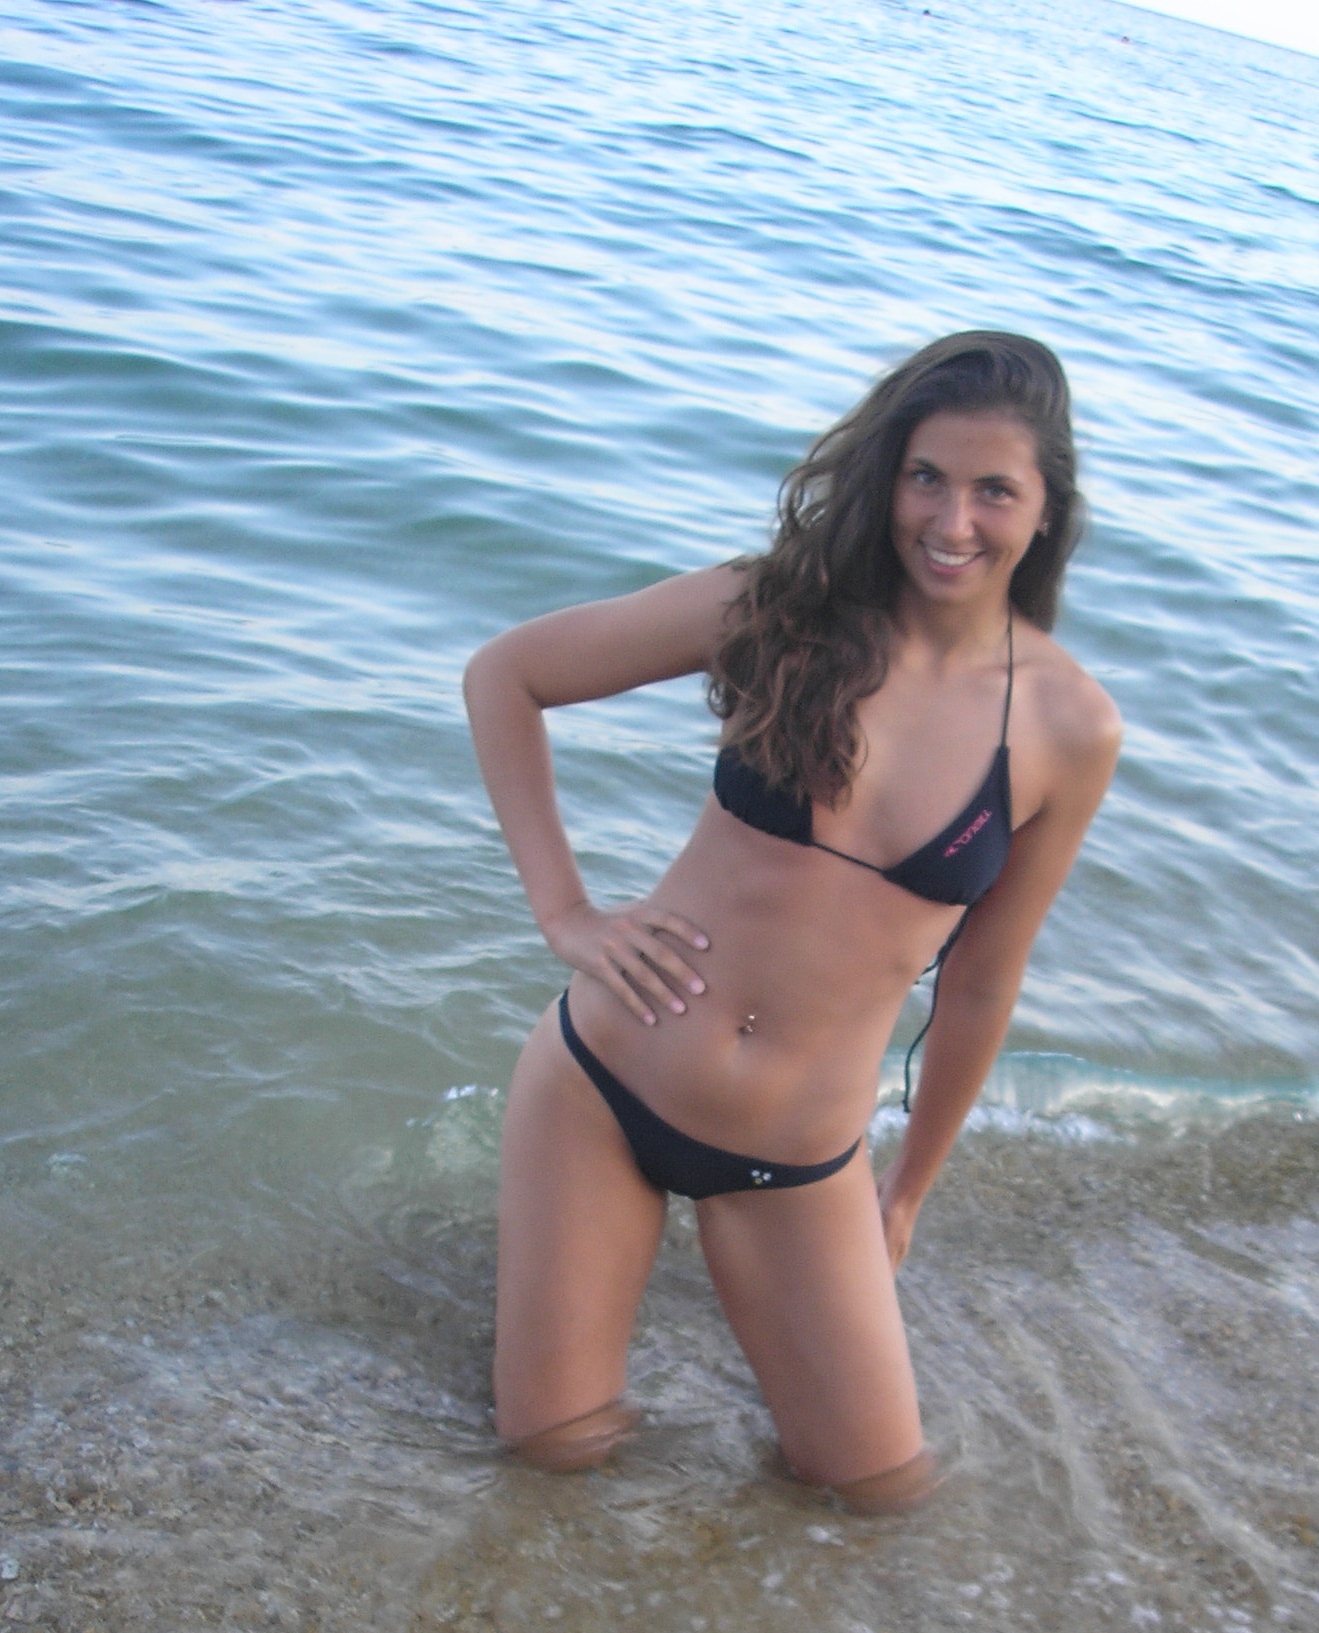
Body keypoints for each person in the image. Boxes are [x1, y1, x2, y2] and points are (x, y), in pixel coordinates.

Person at [463, 331, 1120, 1511]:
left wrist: (905, 1189)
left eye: (992, 491)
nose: (950, 521)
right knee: (553, 1461)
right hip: (603, 1086)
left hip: (796, 1158)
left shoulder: (1068, 729)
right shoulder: (780, 607)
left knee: (876, 1496)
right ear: (885, 476)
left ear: (1044, 511)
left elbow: (980, 982)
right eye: (925, 477)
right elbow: (507, 674)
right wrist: (565, 911)